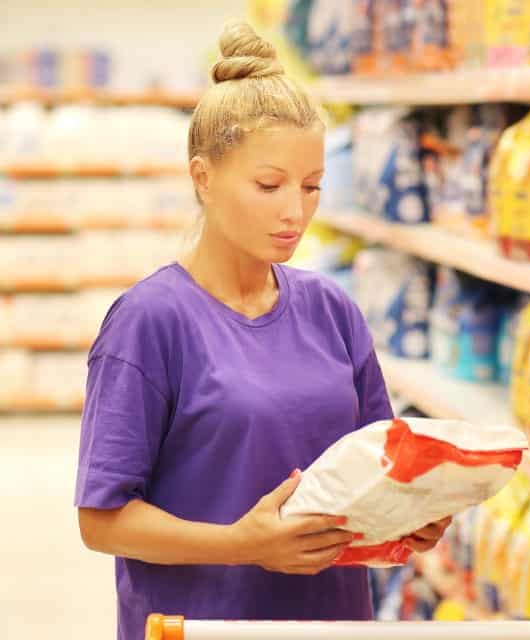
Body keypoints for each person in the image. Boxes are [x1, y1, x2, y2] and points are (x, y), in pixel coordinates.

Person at [74, 21, 451, 640]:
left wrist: (411, 516)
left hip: (332, 623)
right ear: (202, 178)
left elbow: (378, 466)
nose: (294, 212)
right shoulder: (150, 321)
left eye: (311, 187)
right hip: (199, 626)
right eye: (269, 185)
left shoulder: (333, 310)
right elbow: (102, 521)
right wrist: (241, 545)